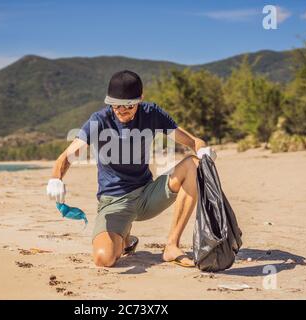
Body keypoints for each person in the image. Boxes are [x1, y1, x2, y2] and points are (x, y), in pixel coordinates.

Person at [47, 70, 216, 268]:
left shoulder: (151, 114)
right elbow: (65, 157)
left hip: (147, 195)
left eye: (128, 105)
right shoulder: (99, 121)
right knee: (104, 259)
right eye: (115, 105)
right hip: (114, 202)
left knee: (194, 164)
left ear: (140, 99)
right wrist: (55, 178)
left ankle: (171, 246)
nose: (121, 110)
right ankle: (126, 238)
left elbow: (193, 141)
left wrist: (203, 149)